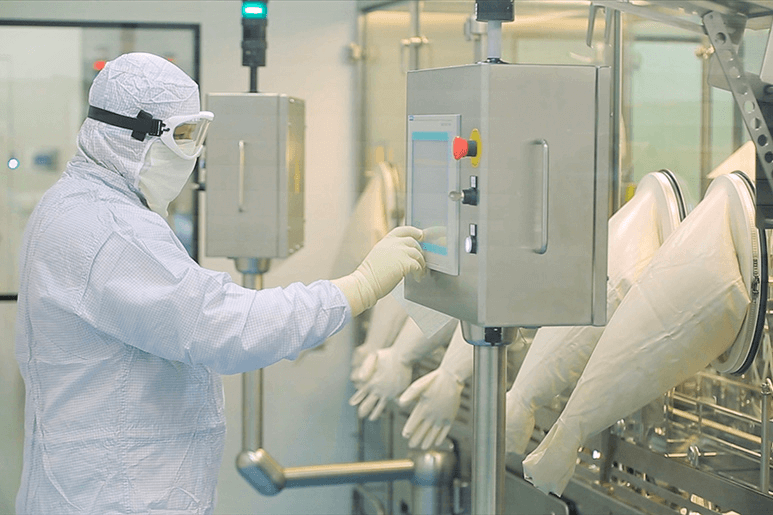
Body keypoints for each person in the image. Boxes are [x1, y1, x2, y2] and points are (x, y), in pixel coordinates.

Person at [14, 52, 425, 515]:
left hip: (94, 487)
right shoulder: (110, 229)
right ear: (133, 133)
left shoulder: (74, 203)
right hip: (116, 496)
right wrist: (359, 286)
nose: (194, 155)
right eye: (185, 136)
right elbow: (223, 325)